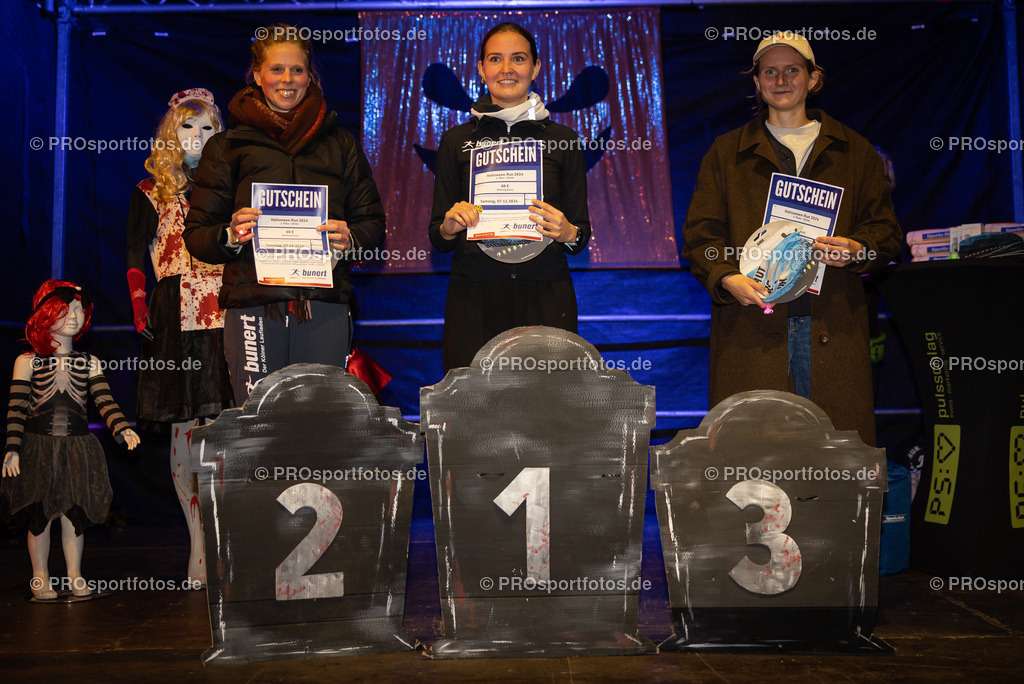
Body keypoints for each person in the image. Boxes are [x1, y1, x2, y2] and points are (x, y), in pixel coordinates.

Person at [681, 32, 901, 446]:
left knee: (833, 468)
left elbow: (886, 234)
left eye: (793, 70)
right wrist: (727, 277)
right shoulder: (726, 153)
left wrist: (857, 250)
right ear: (757, 82)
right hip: (752, 328)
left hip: (832, 325)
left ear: (813, 79)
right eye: (770, 71)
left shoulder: (854, 151)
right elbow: (700, 237)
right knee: (753, 464)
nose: (781, 80)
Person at [184, 24, 386, 403]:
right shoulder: (226, 147)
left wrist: (352, 239)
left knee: (318, 426)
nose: (287, 80)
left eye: (297, 70)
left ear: (311, 76)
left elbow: (374, 226)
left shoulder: (341, 144)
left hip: (324, 308)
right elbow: (196, 235)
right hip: (253, 309)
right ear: (257, 74)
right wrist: (228, 235)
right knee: (259, 430)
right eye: (277, 69)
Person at [429, 22, 591, 372]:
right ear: (481, 68)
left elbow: (581, 235)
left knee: (547, 412)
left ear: (535, 67)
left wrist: (568, 233)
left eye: (518, 59)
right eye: (495, 59)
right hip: (474, 297)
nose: (506, 69)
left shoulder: (563, 140)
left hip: (546, 295)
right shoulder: (456, 141)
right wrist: (449, 226)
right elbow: (437, 238)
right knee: (472, 413)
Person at [126, 88, 233, 584]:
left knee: (227, 428)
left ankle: (225, 541)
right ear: (172, 132)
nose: (197, 137)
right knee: (183, 426)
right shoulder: (152, 191)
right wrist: (140, 305)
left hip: (226, 308)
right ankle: (196, 545)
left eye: (207, 127)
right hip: (175, 314)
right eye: (188, 127)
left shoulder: (231, 188)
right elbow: (133, 255)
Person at [2, 281, 141, 600]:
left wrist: (121, 427)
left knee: (73, 512)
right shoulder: (28, 362)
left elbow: (105, 401)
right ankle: (40, 576)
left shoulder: (89, 362)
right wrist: (12, 448)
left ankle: (75, 575)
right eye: (67, 310)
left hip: (79, 447)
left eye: (79, 310)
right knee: (40, 513)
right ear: (47, 314)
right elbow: (17, 409)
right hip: (39, 446)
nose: (75, 316)